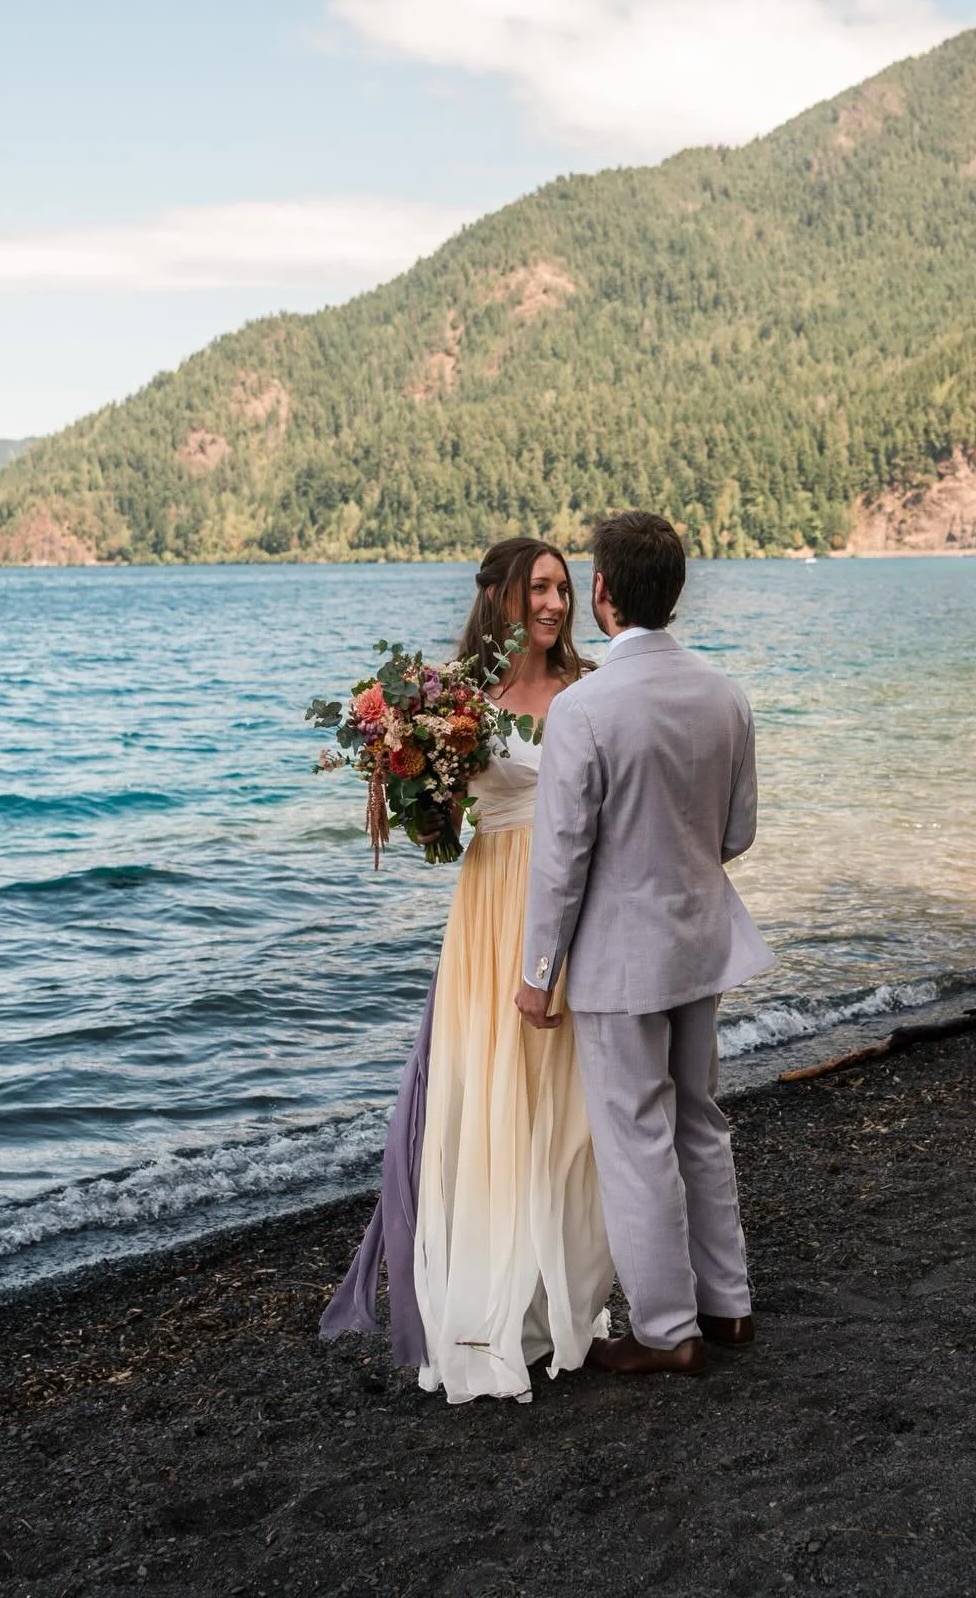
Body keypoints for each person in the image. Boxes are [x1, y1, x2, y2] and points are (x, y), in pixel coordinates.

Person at [322, 538, 614, 1402]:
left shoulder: (591, 688)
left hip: (572, 901)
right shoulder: (460, 702)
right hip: (489, 908)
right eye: (540, 588)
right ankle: (493, 1309)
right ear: (501, 599)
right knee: (491, 1096)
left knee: (565, 1107)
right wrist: (410, 779)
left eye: (564, 587)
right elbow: (441, 838)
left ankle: (562, 1297)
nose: (556, 603)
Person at [516, 510, 773, 1374]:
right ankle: (727, 1306)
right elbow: (735, 833)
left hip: (621, 959)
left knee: (635, 1138)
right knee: (701, 1120)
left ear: (602, 593)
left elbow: (561, 863)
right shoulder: (725, 694)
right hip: (701, 943)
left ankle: (666, 1331)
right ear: (677, 590)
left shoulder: (583, 709)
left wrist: (535, 975)